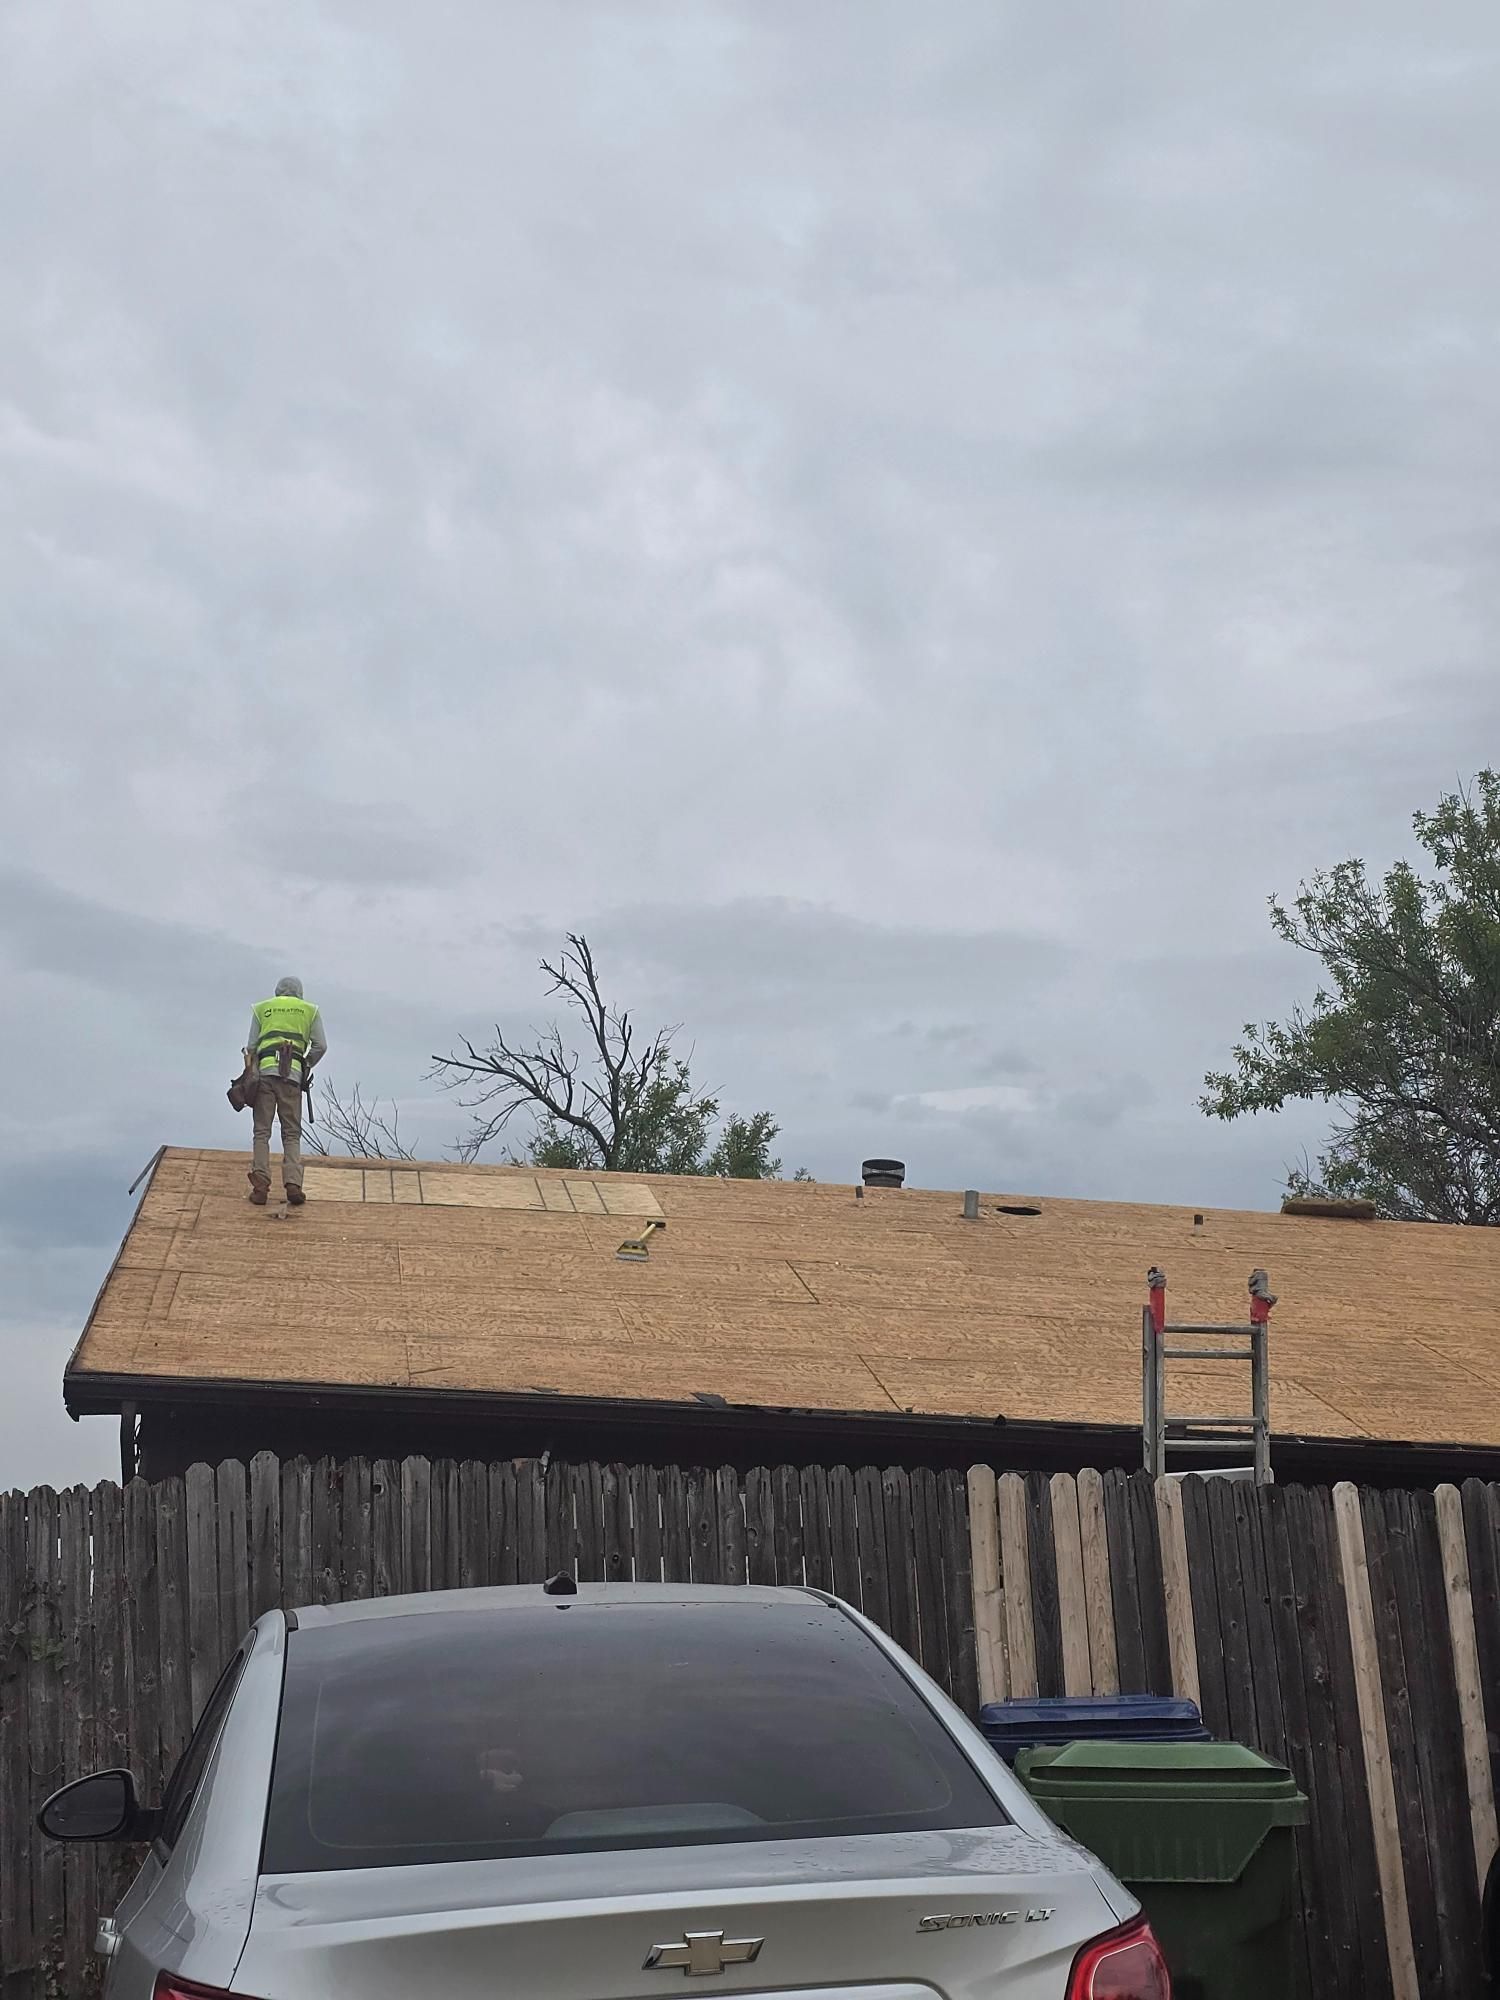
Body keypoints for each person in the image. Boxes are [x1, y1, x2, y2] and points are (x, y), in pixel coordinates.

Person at [244, 976, 326, 1206]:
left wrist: (251, 1073)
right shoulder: (309, 1010)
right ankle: (293, 1184)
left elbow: (251, 1048)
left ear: (277, 991)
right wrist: (305, 1063)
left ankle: (260, 1186)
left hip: (265, 1075)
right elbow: (321, 1045)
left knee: (262, 1131)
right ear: (299, 993)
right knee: (291, 1133)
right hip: (291, 1075)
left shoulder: (263, 1008)